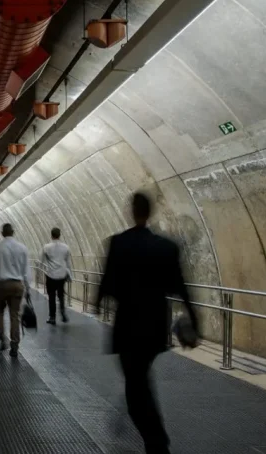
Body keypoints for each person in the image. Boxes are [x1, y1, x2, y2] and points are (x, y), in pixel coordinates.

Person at [97, 192, 199, 454]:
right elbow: (181, 287)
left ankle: (157, 442)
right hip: (155, 328)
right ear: (150, 212)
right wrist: (194, 320)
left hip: (128, 327)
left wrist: (98, 303)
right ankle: (155, 440)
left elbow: (107, 282)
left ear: (132, 211)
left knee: (136, 389)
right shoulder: (167, 247)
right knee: (140, 378)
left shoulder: (119, 243)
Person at [0, 223, 31, 358]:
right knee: (14, 315)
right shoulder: (22, 248)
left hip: (1, 285)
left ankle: (1, 337)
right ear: (13, 232)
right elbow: (26, 270)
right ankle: (15, 345)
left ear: (2, 233)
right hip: (17, 286)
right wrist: (28, 287)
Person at [42, 227, 73, 325]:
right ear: (60, 235)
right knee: (61, 295)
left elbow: (41, 260)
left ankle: (52, 317)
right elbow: (68, 263)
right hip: (62, 275)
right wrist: (69, 275)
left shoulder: (46, 247)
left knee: (51, 296)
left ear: (51, 235)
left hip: (51, 275)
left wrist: (44, 268)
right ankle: (63, 313)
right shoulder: (66, 247)